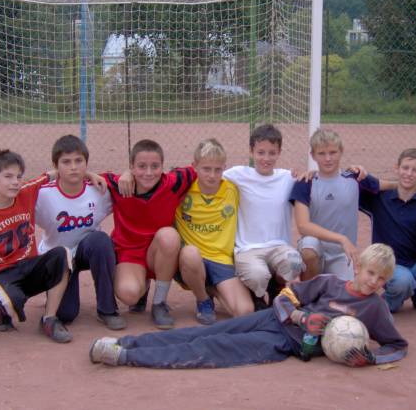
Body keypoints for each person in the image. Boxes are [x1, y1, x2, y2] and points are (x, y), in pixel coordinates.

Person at [89, 243, 408, 369]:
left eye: (381, 279)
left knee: (214, 348)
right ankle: (126, 342)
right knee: (203, 333)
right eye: (370, 273)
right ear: (358, 267)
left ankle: (124, 357)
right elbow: (285, 296)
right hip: (272, 319)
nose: (374, 282)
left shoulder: (375, 309)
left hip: (285, 343)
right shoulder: (330, 283)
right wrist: (299, 316)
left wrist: (371, 358)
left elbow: (397, 345)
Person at [0, 149, 73, 343]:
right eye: (8, 176)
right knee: (10, 301)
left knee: (63, 254)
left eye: (19, 176)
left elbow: (55, 173)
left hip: (26, 267)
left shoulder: (26, 192)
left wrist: (91, 175)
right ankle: (2, 308)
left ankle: (49, 318)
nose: (15, 182)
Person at [35, 135, 125, 330]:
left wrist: (125, 176)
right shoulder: (43, 194)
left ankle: (107, 310)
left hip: (86, 250)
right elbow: (14, 202)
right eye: (66, 162)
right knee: (66, 315)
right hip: (59, 257)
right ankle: (54, 290)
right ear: (55, 166)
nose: (73, 167)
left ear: (86, 163)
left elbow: (133, 185)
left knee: (101, 241)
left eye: (79, 161)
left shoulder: (99, 189)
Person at [103, 139, 196, 329]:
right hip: (130, 253)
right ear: (131, 166)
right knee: (128, 294)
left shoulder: (173, 183)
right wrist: (126, 174)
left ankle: (159, 303)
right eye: (141, 166)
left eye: (155, 166)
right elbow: (84, 177)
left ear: (162, 167)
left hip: (159, 252)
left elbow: (199, 168)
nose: (148, 172)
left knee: (169, 236)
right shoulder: (118, 184)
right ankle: (142, 287)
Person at [359, 148, 416, 316]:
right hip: (390, 265)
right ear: (396, 168)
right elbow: (353, 183)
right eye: (405, 168)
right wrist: (355, 170)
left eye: (415, 170)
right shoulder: (379, 197)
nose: (409, 173)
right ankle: (386, 304)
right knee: (403, 280)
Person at [222, 124, 305, 309]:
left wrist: (308, 173)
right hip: (248, 247)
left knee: (295, 263)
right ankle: (257, 294)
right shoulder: (238, 174)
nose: (266, 158)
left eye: (272, 153)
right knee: (257, 275)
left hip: (279, 245)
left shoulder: (288, 178)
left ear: (279, 152)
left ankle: (276, 286)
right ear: (251, 151)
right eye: (261, 152)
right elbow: (210, 175)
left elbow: (312, 181)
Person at [174, 138, 253, 325]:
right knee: (190, 254)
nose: (212, 175)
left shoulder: (233, 190)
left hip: (221, 259)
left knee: (244, 312)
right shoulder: (182, 189)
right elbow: (152, 182)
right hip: (192, 260)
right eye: (206, 169)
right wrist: (128, 174)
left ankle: (211, 288)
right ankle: (203, 299)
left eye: (218, 170)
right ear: (194, 166)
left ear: (224, 168)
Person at [290, 128, 380, 282]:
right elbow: (303, 226)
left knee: (345, 293)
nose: (328, 158)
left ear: (341, 151)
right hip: (316, 250)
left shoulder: (355, 178)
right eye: (321, 153)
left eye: (333, 152)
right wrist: (342, 239)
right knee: (309, 248)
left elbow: (392, 186)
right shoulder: (306, 182)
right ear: (312, 155)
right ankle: (309, 291)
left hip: (342, 254)